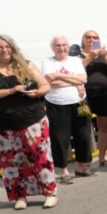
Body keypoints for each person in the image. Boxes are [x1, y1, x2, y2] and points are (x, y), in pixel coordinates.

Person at [0, 35, 57, 209]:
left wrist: (37, 93)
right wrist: (11, 90)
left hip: (33, 120)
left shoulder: (26, 65)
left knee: (40, 157)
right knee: (11, 162)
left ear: (13, 48)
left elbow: (46, 85)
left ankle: (50, 192)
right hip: (3, 124)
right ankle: (20, 197)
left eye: (7, 46)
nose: (4, 50)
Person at [41, 36, 93, 184]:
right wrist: (73, 80)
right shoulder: (47, 62)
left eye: (64, 45)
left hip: (78, 103)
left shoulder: (75, 60)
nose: (61, 48)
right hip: (57, 104)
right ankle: (63, 170)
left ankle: (81, 166)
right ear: (53, 47)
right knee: (60, 138)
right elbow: (49, 82)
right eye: (58, 45)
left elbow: (83, 79)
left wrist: (58, 76)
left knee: (83, 135)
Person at [73, 30, 107, 168]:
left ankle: (102, 158)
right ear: (83, 40)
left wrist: (104, 57)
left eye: (95, 37)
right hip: (85, 95)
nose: (91, 39)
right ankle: (85, 160)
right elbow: (74, 69)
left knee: (104, 126)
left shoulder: (103, 53)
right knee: (84, 128)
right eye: (88, 37)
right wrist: (90, 56)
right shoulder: (76, 54)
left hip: (103, 93)